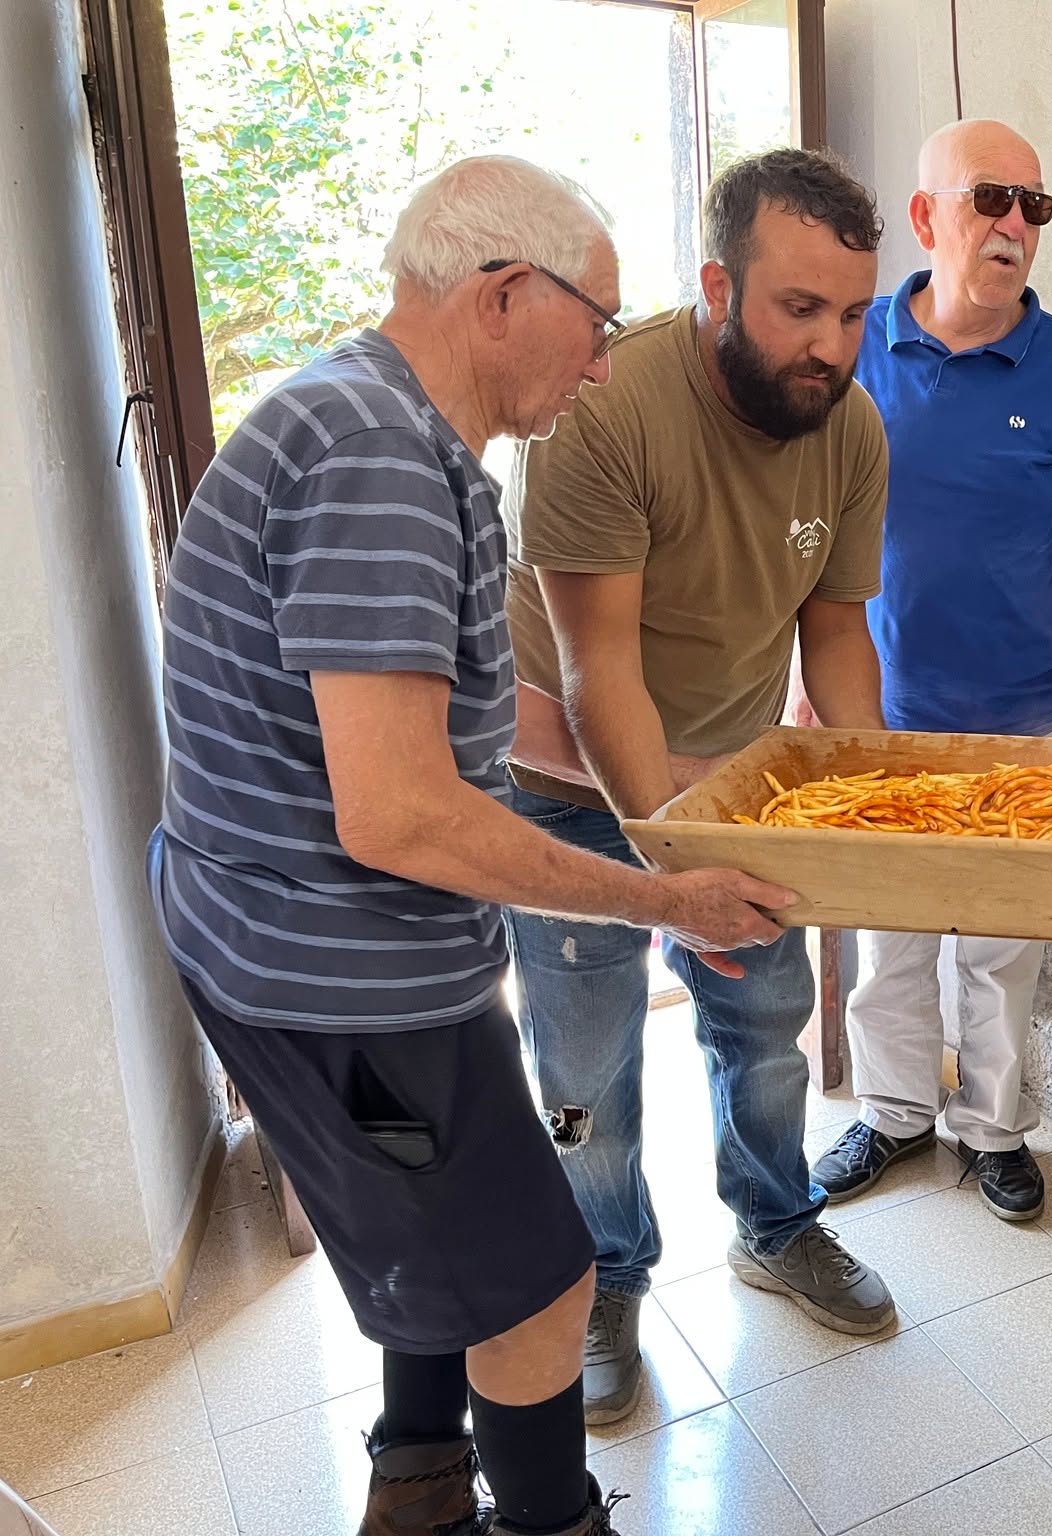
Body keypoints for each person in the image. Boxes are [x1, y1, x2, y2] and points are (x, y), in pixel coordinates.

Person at [153, 155, 794, 1536]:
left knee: (448, 1254)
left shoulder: (375, 422)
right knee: (541, 1283)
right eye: (602, 324)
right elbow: (398, 810)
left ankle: (421, 1488)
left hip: (321, 956)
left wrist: (673, 790)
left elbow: (445, 731)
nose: (610, 368)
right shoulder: (379, 461)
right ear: (507, 296)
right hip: (344, 986)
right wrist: (663, 896)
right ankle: (549, 1519)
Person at [502, 148, 896, 1425]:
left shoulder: (848, 426)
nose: (829, 347)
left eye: (853, 314)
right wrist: (676, 875)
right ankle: (606, 1274)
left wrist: (870, 808)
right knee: (584, 1065)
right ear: (720, 286)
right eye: (798, 309)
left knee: (763, 1029)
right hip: (572, 781)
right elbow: (595, 669)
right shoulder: (604, 413)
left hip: (740, 779)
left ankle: (777, 1226)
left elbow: (835, 633)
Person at [807, 119, 1052, 1223]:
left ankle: (993, 1130)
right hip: (880, 712)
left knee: (1004, 947)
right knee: (892, 939)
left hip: (1026, 713)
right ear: (926, 218)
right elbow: (800, 513)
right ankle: (891, 1113)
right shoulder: (857, 342)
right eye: (990, 200)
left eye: (1034, 206)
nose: (1015, 224)